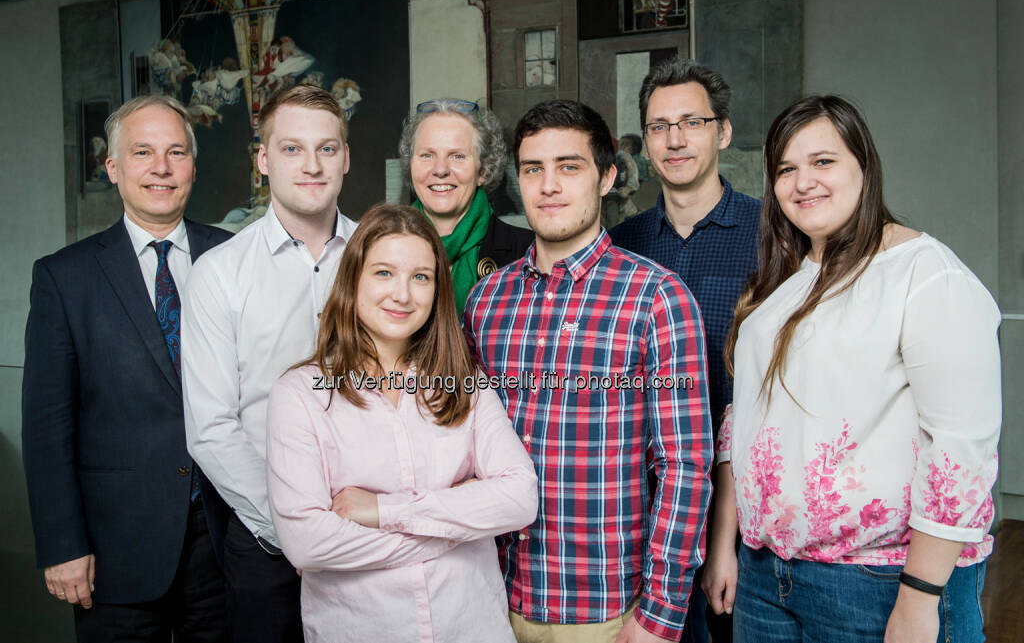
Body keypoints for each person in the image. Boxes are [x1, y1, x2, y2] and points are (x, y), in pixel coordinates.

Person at [705, 95, 1000, 643]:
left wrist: (920, 598)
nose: (802, 182)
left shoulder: (925, 275)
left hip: (879, 581)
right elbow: (740, 424)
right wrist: (725, 546)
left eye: (823, 161)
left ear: (863, 165)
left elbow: (961, 447)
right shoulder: (782, 288)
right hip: (766, 578)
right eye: (786, 169)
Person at [464, 99, 712, 643]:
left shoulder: (658, 298)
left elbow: (685, 466)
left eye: (569, 166)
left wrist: (661, 614)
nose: (548, 185)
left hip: (605, 610)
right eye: (533, 169)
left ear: (607, 177)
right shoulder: (485, 301)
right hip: (486, 600)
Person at [265, 204, 538, 642]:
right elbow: (306, 543)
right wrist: (458, 528)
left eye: (420, 277)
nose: (403, 295)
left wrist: (383, 511)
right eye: (384, 273)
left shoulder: (464, 382)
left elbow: (520, 497)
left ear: (437, 291)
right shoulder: (300, 395)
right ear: (353, 281)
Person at [22, 95, 231, 642]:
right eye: (142, 152)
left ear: (192, 165)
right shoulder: (64, 279)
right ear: (113, 168)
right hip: (116, 553)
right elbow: (47, 428)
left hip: (228, 543)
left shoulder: (235, 256)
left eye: (176, 152)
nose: (161, 168)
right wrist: (63, 546)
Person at [182, 84, 358, 643]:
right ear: (262, 159)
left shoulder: (380, 259)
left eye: (327, 149)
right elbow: (211, 429)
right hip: (266, 542)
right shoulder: (218, 273)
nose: (311, 165)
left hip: (368, 530)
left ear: (346, 158)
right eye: (291, 149)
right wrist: (296, 527)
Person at [610, 58, 760, 643]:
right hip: (644, 505)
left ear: (722, 131)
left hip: (741, 501)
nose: (674, 139)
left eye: (692, 122)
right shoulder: (623, 242)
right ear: (645, 143)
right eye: (658, 126)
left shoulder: (771, 233)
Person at [398, 98, 532, 314]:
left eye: (457, 156)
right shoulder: (381, 249)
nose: (440, 169)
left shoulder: (528, 253)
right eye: (426, 155)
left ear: (484, 171)